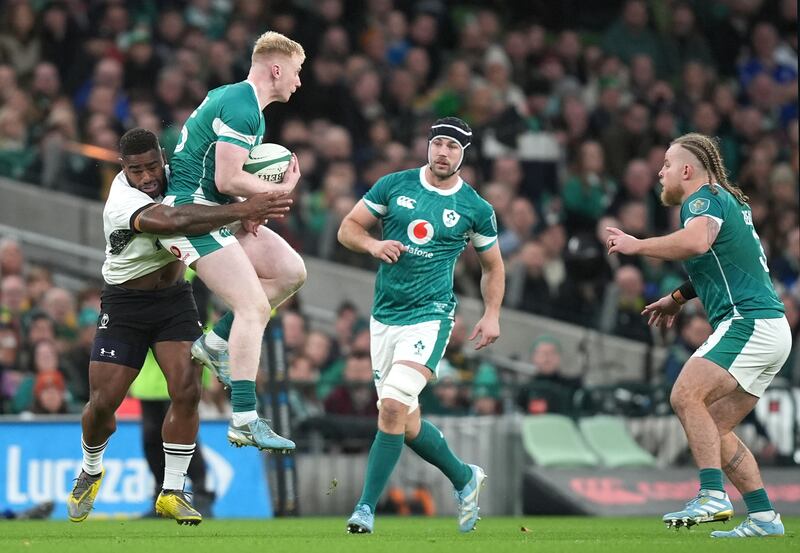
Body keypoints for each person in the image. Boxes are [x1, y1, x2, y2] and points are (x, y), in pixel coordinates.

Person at [67, 128, 292, 525]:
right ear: (123, 168)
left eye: (153, 166)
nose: (147, 177)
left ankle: (172, 491)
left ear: (162, 158)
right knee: (103, 404)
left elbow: (211, 198)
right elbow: (175, 220)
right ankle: (90, 469)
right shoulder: (122, 202)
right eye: (137, 170)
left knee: (187, 391)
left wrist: (256, 199)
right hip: (125, 304)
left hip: (173, 300)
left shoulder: (178, 180)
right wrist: (244, 209)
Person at [606, 133, 791, 538]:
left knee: (685, 396)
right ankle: (764, 516)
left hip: (748, 321)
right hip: (770, 328)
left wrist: (637, 245)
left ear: (687, 169)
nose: (660, 172)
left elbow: (696, 242)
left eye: (667, 164)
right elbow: (721, 262)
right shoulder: (726, 200)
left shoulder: (701, 200)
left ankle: (712, 495)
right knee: (714, 428)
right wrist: (676, 298)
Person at [337, 117, 505, 534]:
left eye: (453, 146)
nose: (443, 152)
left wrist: (492, 313)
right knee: (405, 422)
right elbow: (348, 229)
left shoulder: (475, 208)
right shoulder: (394, 185)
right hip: (384, 317)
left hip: (431, 316)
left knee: (392, 406)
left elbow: (493, 266)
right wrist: (374, 244)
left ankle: (365, 508)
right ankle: (464, 477)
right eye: (438, 143)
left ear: (464, 155)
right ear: (428, 146)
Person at [160, 31, 306, 452]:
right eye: (296, 71)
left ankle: (215, 343)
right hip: (192, 215)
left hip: (217, 211)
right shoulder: (243, 107)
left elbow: (222, 178)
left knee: (291, 271)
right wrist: (275, 192)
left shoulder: (239, 101)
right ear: (276, 69)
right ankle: (244, 419)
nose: (298, 81)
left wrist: (248, 206)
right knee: (253, 306)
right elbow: (227, 178)